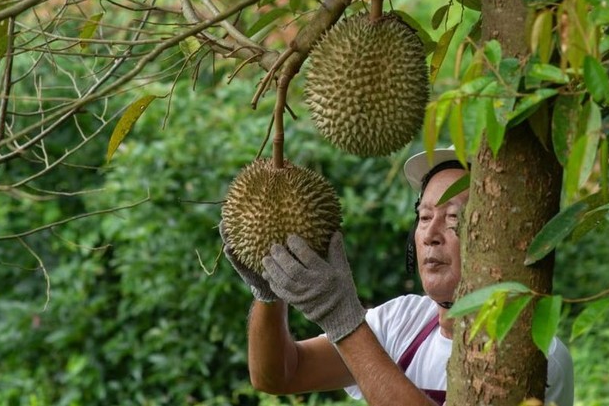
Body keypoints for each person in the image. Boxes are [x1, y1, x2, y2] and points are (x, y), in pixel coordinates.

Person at [220, 147, 574, 406]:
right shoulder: (402, 321)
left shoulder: (532, 352)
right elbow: (279, 374)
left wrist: (344, 320)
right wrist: (269, 294)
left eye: (455, 219)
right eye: (423, 217)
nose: (431, 233)